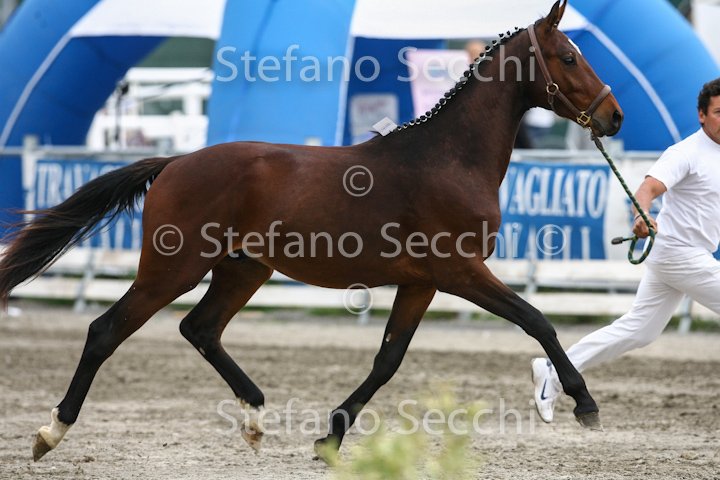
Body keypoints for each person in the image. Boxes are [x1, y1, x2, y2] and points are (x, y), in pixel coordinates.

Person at [531, 78, 720, 422]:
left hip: (686, 256)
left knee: (639, 330)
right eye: (719, 112)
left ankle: (554, 371)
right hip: (678, 252)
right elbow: (647, 189)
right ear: (702, 115)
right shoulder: (686, 153)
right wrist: (641, 215)